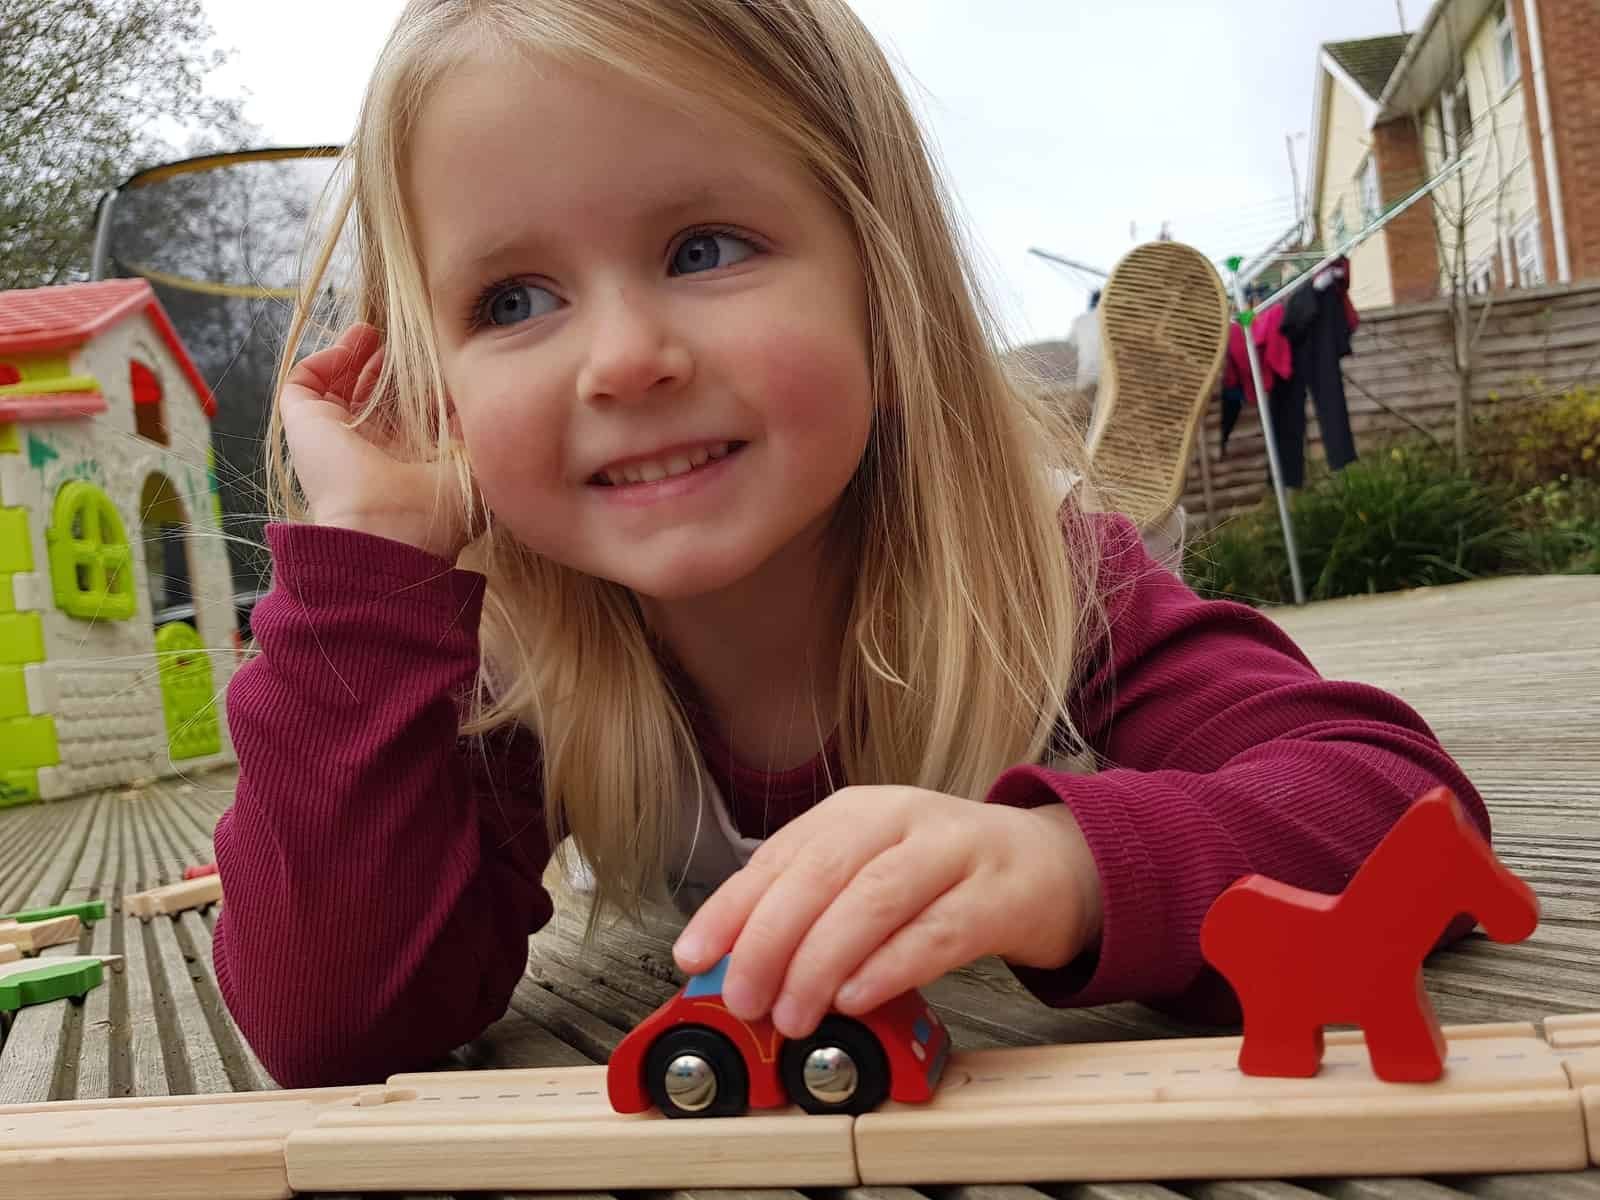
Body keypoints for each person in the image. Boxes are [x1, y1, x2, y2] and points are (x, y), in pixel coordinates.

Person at [212, 0, 1489, 1091]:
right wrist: (371, 551)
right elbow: (333, 1020)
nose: (622, 360)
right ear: (432, 381)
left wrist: (1066, 864)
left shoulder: (1042, 582)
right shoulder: (522, 666)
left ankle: (1110, 450)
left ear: (887, 298)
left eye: (703, 249)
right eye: (513, 301)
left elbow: (1409, 816)